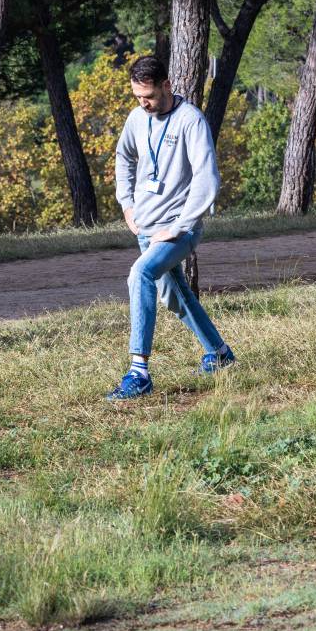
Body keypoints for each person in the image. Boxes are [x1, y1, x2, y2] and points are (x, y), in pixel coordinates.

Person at [106, 55, 236, 401]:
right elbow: (123, 157)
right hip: (146, 228)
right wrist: (127, 205)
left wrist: (180, 225)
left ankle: (138, 372)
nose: (143, 103)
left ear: (167, 85)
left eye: (148, 95)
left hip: (178, 229)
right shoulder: (137, 118)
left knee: (140, 274)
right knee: (173, 295)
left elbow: (208, 179)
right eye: (137, 97)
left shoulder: (190, 120)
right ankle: (219, 353)